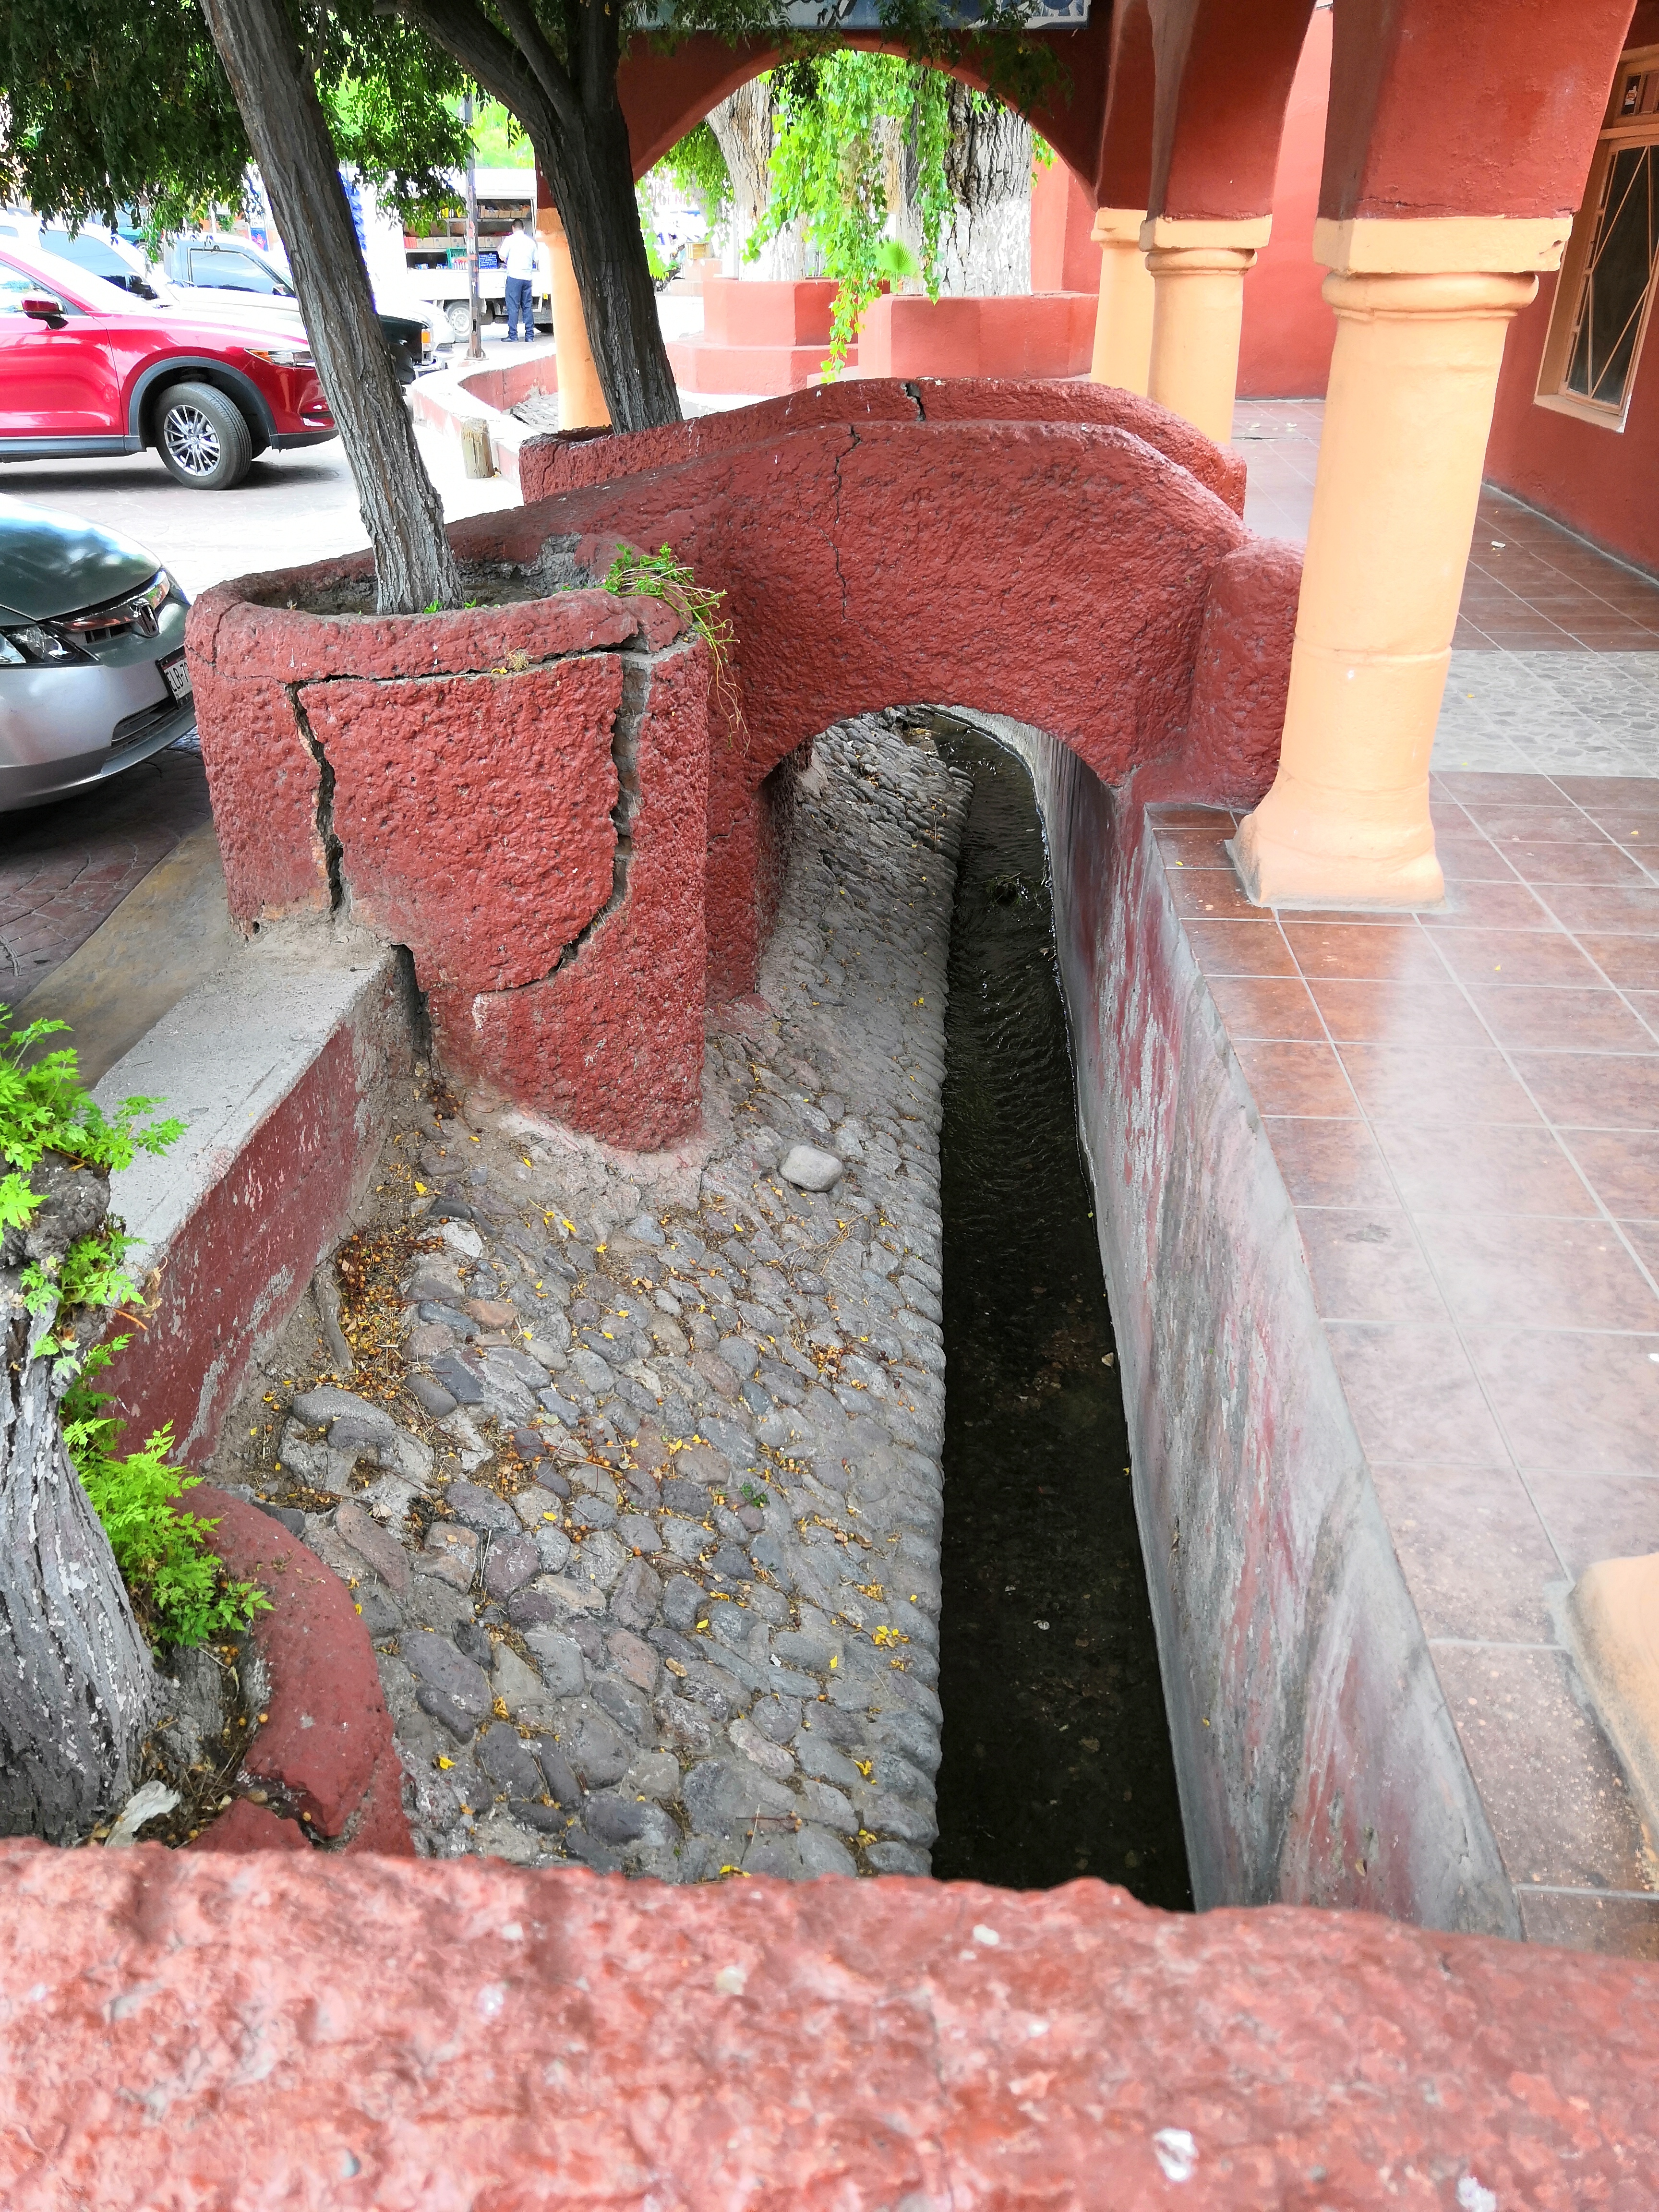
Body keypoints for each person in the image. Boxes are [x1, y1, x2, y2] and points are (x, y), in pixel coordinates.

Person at [503, 217, 536, 343]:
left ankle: (513, 336)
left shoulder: (509, 240)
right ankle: (530, 336)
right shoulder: (531, 242)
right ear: (523, 228)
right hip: (527, 278)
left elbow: (502, 256)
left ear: (513, 228)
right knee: (527, 307)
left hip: (514, 278)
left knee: (513, 307)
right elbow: (536, 258)